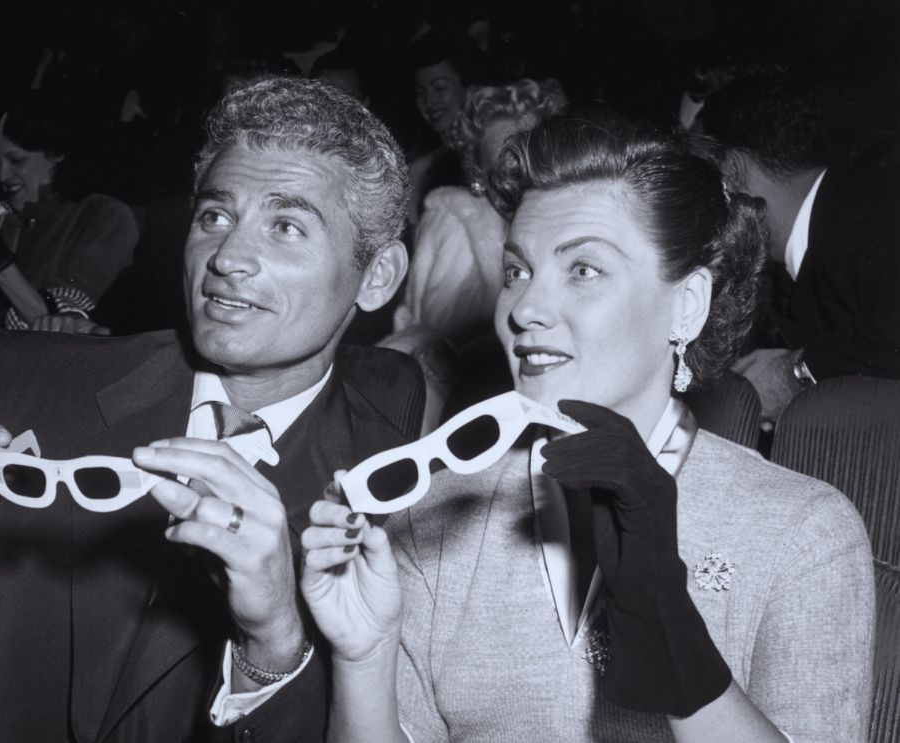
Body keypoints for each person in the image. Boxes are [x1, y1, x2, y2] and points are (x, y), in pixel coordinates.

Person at [0, 76, 413, 742]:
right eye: (214, 216)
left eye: (285, 226)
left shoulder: (401, 499)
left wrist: (272, 645)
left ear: (376, 276)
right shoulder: (18, 386)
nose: (226, 257)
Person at [300, 114, 875, 741]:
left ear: (687, 305)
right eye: (517, 271)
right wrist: (365, 658)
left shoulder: (804, 532)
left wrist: (674, 647)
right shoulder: (432, 518)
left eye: (583, 270)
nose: (525, 309)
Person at [698, 75, 900, 422]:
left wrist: (794, 375)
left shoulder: (874, 216)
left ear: (731, 171)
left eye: (700, 178)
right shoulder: (835, 225)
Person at [381, 79, 566, 432]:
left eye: (530, 155)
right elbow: (436, 343)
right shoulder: (455, 223)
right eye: (504, 165)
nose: (521, 175)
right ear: (479, 175)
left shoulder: (576, 223)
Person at [0, 92, 140, 334]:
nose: (2, 175)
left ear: (56, 153)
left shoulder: (104, 215)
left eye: (15, 160)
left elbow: (62, 324)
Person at [404, 29, 487, 227]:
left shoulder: (488, 155)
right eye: (421, 92)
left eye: (440, 88)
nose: (429, 102)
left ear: (468, 87)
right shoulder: (420, 168)